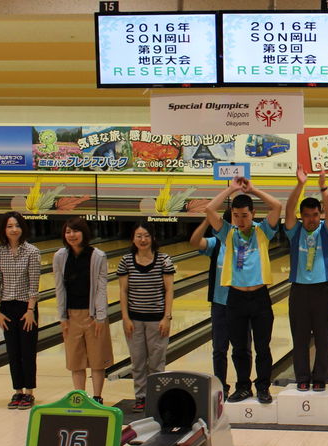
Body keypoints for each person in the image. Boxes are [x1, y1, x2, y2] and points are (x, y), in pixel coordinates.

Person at [203, 177, 283, 404]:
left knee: (262, 347)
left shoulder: (263, 231)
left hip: (259, 297)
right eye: (236, 215)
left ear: (253, 213)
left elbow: (277, 206)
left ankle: (263, 387)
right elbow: (209, 209)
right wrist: (230, 189)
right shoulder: (227, 233)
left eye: (245, 215)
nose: (240, 220)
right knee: (239, 348)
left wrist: (253, 189)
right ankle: (243, 386)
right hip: (235, 298)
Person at [285, 167, 328, 391]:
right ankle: (302, 378)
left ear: (320, 215)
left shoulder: (326, 231)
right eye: (306, 215)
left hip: (323, 290)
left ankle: (320, 378)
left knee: (324, 338)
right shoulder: (294, 231)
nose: (310, 219)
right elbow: (288, 210)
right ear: (301, 216)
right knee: (300, 339)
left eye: (315, 215)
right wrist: (300, 185)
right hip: (299, 291)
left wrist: (323, 187)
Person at [117, 222, 176, 412]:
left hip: (157, 320)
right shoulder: (126, 261)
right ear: (133, 239)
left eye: (146, 236)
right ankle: (141, 397)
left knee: (157, 362)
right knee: (138, 361)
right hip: (134, 320)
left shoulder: (164, 260)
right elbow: (123, 291)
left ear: (153, 238)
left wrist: (167, 317)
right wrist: (125, 318)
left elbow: (169, 290)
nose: (143, 240)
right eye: (139, 236)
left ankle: (158, 396)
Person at [54, 216, 113, 403]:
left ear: (84, 233)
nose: (72, 235)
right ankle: (80, 397)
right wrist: (62, 316)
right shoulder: (60, 256)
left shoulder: (98, 256)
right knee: (75, 361)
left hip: (93, 315)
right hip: (71, 316)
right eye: (68, 231)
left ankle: (97, 398)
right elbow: (59, 288)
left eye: (76, 231)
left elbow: (101, 288)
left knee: (97, 359)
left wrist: (100, 317)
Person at [189, 217, 246, 398]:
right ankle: (221, 386)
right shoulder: (216, 243)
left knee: (242, 349)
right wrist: (207, 221)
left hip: (242, 303)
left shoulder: (248, 242)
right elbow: (195, 241)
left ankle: (243, 385)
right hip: (220, 304)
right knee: (219, 349)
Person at [0, 210, 40, 409]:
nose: (14, 229)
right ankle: (17, 391)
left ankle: (29, 392)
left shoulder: (32, 251)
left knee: (28, 351)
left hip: (26, 307)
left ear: (23, 228)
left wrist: (30, 309)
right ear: (4, 229)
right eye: (9, 226)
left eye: (17, 226)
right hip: (6, 308)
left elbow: (34, 284)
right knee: (12, 351)